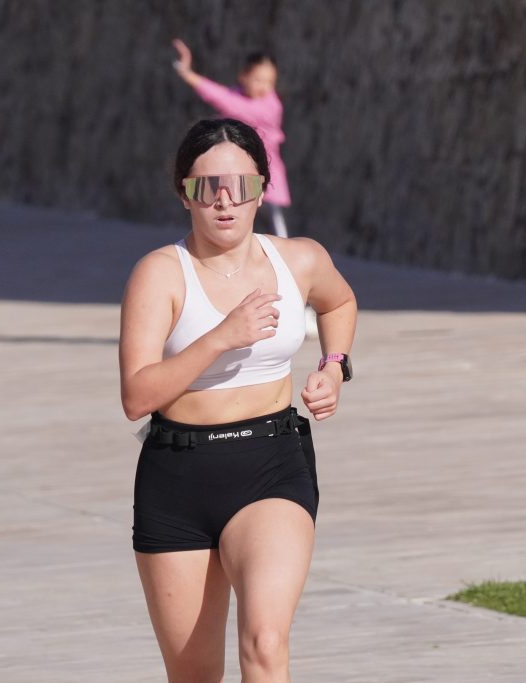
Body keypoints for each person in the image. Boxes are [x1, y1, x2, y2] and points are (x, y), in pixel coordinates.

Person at [119, 117, 357, 682]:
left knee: (265, 643)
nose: (224, 201)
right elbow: (136, 396)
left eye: (241, 186)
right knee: (195, 675)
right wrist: (221, 336)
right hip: (177, 477)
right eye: (207, 188)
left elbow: (339, 302)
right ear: (184, 194)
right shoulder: (160, 274)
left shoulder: (299, 260)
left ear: (262, 189)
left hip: (270, 466)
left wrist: (333, 366)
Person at [172, 39, 292, 239]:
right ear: (243, 76)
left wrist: (188, 75)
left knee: (274, 225)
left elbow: (226, 101)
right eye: (258, 79)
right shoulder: (237, 94)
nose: (264, 87)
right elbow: (225, 97)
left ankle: (283, 254)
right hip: (235, 174)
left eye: (269, 82)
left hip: (267, 173)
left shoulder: (271, 106)